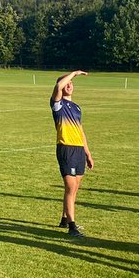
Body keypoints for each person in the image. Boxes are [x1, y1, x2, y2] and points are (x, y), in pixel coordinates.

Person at [51, 69, 94, 238]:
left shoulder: (76, 107)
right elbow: (58, 85)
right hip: (66, 148)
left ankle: (64, 219)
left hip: (78, 150)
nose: (69, 85)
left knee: (74, 188)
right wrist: (74, 73)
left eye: (71, 83)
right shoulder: (57, 104)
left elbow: (80, 131)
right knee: (70, 187)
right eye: (66, 83)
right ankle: (72, 226)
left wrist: (88, 152)